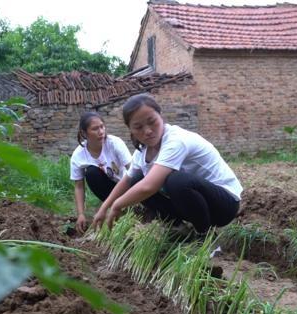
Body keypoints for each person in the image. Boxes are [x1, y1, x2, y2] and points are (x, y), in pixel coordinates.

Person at [92, 94, 242, 236]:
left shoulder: (176, 140)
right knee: (136, 178)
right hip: (199, 205)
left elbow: (149, 186)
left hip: (225, 205)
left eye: (152, 122)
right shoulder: (143, 151)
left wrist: (118, 205)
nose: (148, 131)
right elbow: (127, 180)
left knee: (176, 181)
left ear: (161, 116)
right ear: (130, 130)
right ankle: (178, 228)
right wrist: (104, 208)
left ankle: (204, 235)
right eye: (138, 127)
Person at [70, 111, 132, 233]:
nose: (101, 132)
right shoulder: (78, 155)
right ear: (84, 133)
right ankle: (116, 207)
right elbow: (79, 187)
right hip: (109, 189)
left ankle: (130, 205)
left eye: (102, 126)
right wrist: (81, 214)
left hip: (127, 185)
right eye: (95, 129)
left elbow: (133, 170)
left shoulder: (114, 143)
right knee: (91, 173)